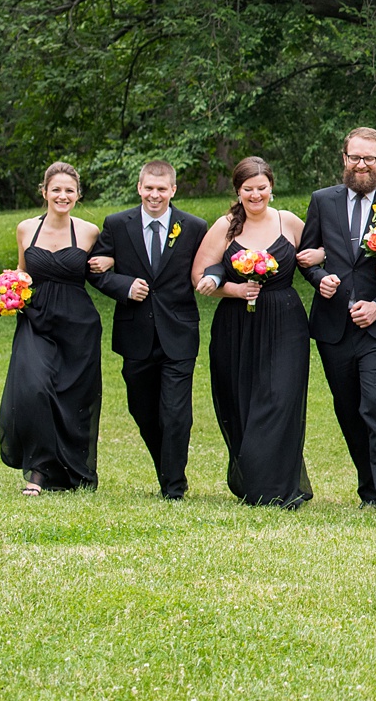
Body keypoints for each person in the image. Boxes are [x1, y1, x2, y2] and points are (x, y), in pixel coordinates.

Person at [296, 127, 376, 514]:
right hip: (334, 325)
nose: (362, 164)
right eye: (355, 157)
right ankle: (368, 487)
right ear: (344, 159)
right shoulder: (322, 201)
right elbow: (306, 255)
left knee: (375, 402)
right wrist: (321, 280)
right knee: (348, 408)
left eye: (369, 158)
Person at [194, 157, 313, 507]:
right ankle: (252, 479)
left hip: (285, 320)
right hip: (237, 325)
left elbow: (314, 257)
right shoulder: (225, 226)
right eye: (248, 189)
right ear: (238, 191)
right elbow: (200, 275)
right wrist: (232, 289)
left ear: (271, 188)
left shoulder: (288, 221)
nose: (256, 194)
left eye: (262, 188)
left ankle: (275, 486)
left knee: (280, 397)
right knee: (242, 400)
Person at [88, 161, 209, 500]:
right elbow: (95, 269)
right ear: (139, 188)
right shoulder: (116, 224)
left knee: (176, 414)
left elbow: (211, 262)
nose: (155, 195)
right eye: (149, 188)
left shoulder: (194, 226)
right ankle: (166, 470)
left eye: (162, 189)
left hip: (179, 333)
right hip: (135, 334)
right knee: (142, 410)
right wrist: (124, 285)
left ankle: (174, 486)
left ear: (173, 190)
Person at [0, 162, 105, 495]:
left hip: (78, 325)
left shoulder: (89, 231)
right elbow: (22, 269)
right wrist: (9, 288)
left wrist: (110, 262)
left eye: (69, 190)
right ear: (44, 191)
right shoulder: (25, 229)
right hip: (35, 319)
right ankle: (38, 472)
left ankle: (69, 470)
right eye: (56, 189)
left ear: (78, 195)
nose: (63, 195)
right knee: (33, 388)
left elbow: (102, 269)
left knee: (72, 395)